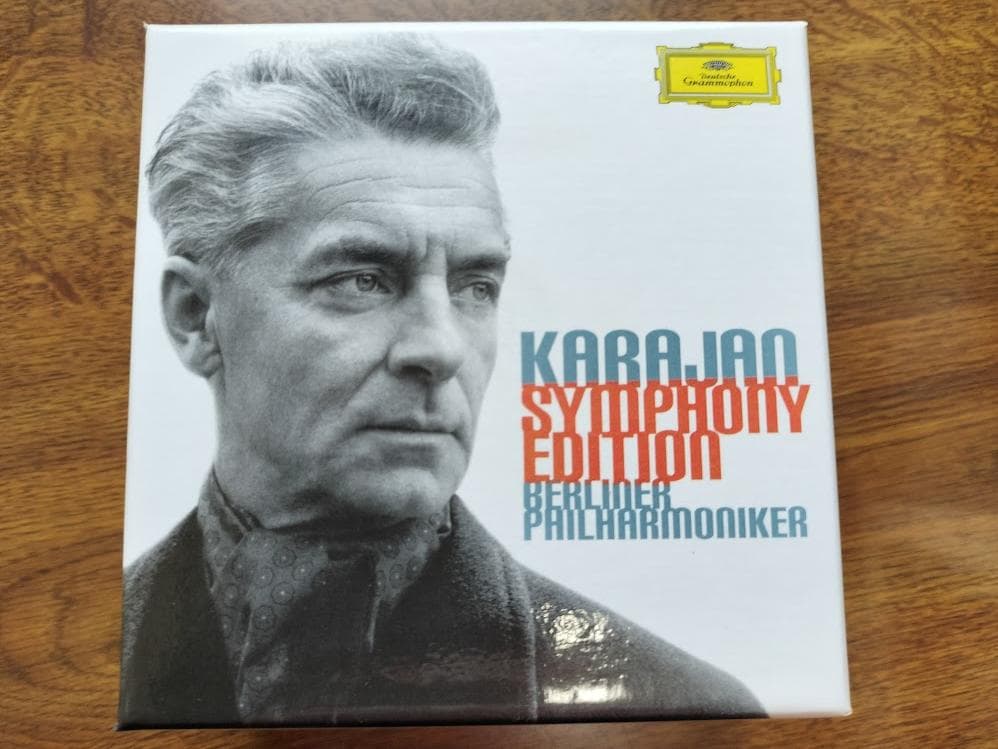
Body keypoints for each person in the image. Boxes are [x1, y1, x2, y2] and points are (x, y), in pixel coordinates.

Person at [118, 35, 764, 727]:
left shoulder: (681, 712)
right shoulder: (70, 660)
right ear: (196, 316)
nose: (441, 347)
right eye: (362, 279)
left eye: (475, 286)